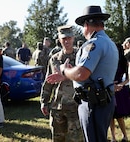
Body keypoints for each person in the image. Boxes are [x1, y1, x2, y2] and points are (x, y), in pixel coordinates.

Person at [46, 5, 119, 142]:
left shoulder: (94, 44)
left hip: (94, 103)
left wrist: (65, 70)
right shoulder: (109, 43)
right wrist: (67, 75)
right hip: (103, 101)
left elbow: (81, 74)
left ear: (86, 25)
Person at [40, 25, 83, 142]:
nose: (66, 41)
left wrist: (67, 75)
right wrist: (44, 101)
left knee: (77, 139)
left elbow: (85, 77)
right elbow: (48, 82)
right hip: (58, 107)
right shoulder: (54, 59)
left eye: (69, 38)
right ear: (59, 40)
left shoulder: (81, 57)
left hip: (76, 106)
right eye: (63, 38)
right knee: (58, 139)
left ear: (73, 38)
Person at [109, 43, 129, 142]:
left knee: (119, 115)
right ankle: (113, 137)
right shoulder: (108, 61)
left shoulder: (123, 61)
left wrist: (121, 84)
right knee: (110, 116)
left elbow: (128, 78)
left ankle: (125, 136)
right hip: (109, 88)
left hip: (120, 90)